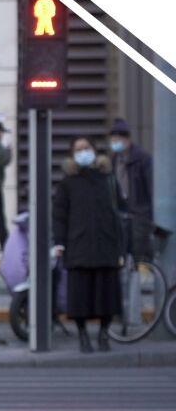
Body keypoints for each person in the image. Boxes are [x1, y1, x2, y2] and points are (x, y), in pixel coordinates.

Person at [53, 137, 124, 354]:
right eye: (78, 149)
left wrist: (121, 246)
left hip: (106, 246)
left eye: (87, 148)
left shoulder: (108, 179)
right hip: (79, 247)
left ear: (95, 150)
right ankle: (83, 336)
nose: (83, 152)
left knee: (107, 296)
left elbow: (120, 211)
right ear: (72, 155)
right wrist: (60, 243)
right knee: (80, 297)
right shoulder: (67, 183)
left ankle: (104, 335)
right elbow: (59, 216)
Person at [107, 118, 155, 261]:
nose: (116, 140)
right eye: (114, 137)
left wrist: (149, 216)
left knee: (141, 255)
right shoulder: (113, 160)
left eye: (120, 136)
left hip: (140, 215)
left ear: (127, 138)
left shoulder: (142, 159)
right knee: (120, 254)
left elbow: (150, 187)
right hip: (120, 215)